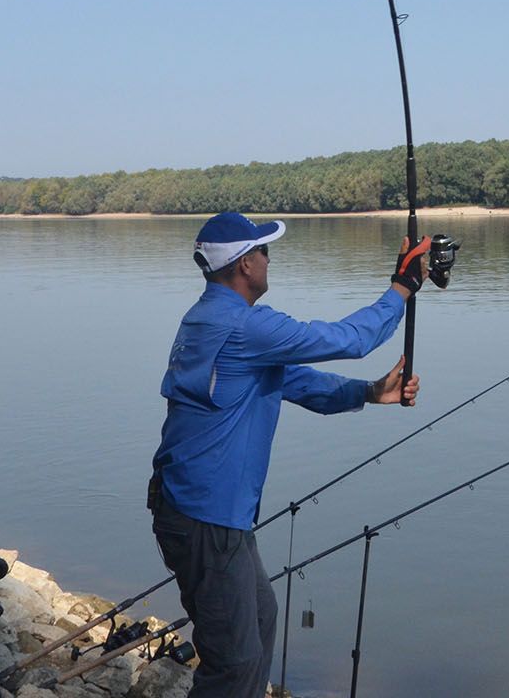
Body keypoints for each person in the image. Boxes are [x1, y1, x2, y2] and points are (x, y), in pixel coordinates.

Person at [150, 211, 445, 697]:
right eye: (264, 251)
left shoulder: (207, 318)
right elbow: (349, 340)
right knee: (234, 662)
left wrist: (370, 392)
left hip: (202, 509)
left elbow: (296, 381)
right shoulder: (245, 328)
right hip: (206, 515)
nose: (269, 260)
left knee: (261, 615)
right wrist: (402, 288)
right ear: (245, 264)